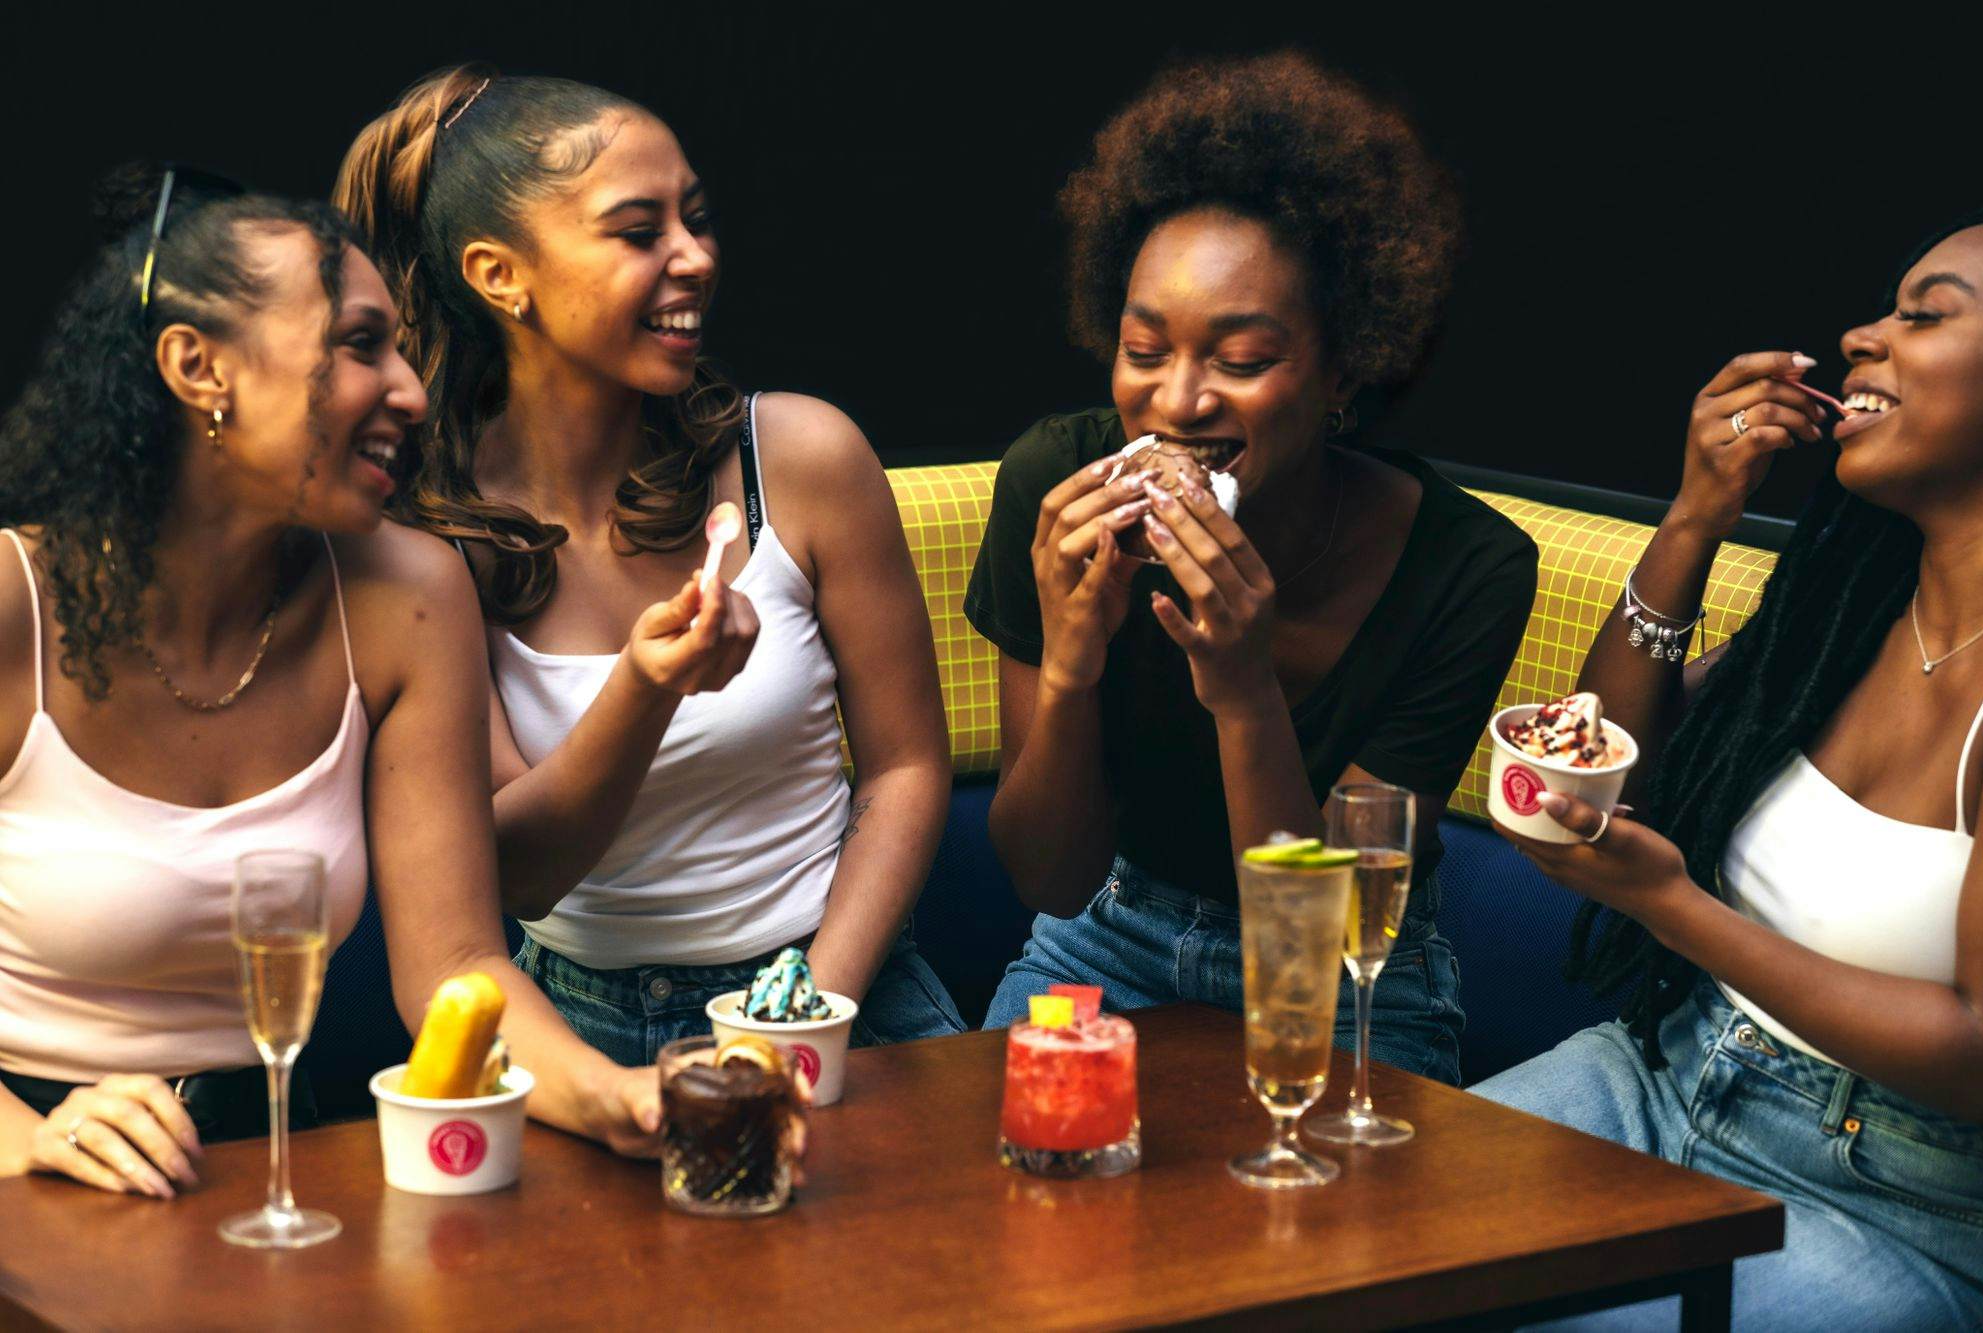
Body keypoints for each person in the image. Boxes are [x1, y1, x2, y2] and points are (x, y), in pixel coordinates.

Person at [0, 167, 668, 1197]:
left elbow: (458, 964)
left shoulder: (406, 593)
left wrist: (617, 1096)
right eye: (362, 345)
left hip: (276, 1160)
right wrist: (30, 1143)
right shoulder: (14, 601)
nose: (409, 389)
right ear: (197, 367)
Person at [335, 67, 962, 1062]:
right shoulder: (423, 545)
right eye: (639, 231)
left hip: (842, 995)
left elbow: (907, 769)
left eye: (697, 219)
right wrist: (646, 685)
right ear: (502, 276)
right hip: (574, 1035)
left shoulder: (798, 458)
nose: (696, 256)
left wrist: (800, 1020)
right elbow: (518, 872)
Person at [964, 53, 1537, 1084]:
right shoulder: (1054, 484)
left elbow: (1312, 944)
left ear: (1341, 368)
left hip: (1353, 981)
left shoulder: (1466, 567)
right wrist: (1068, 666)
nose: (1176, 404)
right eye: (1144, 350)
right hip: (1104, 935)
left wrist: (1241, 689)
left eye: (1238, 360)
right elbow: (1049, 879)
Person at [1474, 204, 1983, 1328]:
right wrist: (1693, 518)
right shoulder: (1847, 603)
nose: (1861, 335)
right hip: (1661, 1073)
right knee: (1330, 1248)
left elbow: (1982, 1052)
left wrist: (1667, 904)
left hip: (1898, 1206)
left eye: (1922, 316)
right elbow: (1616, 752)